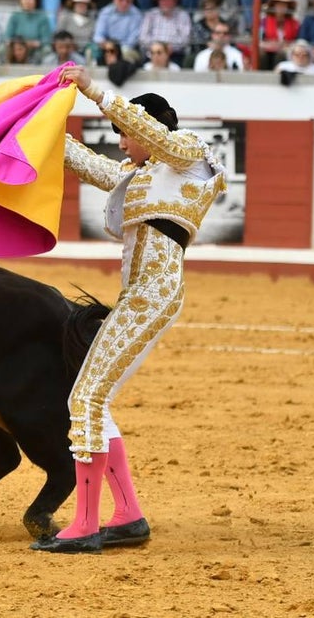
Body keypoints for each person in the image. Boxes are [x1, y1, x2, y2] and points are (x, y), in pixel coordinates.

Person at [30, 65, 226, 555]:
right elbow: (83, 162)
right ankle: (128, 516)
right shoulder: (139, 174)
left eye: (123, 135)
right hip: (139, 294)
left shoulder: (191, 155)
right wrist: (37, 117)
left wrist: (93, 90)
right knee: (95, 398)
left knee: (86, 399)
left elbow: (151, 135)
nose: (120, 144)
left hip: (153, 293)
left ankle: (84, 525)